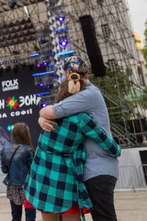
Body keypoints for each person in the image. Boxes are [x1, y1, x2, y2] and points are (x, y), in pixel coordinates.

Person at [26, 77, 121, 221]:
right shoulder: (82, 119)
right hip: (64, 180)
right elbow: (111, 147)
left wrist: (40, 118)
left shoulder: (47, 118)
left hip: (41, 178)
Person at [1, 123, 36, 221]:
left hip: (12, 186)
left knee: (15, 217)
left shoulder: (4, 149)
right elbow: (33, 170)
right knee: (30, 216)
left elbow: (4, 170)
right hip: (27, 187)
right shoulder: (28, 149)